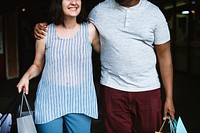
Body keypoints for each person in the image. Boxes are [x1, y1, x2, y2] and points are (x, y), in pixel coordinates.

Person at [34, 0, 175, 133]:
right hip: (112, 89)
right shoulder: (99, 11)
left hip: (148, 90)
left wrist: (169, 97)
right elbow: (72, 26)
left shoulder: (154, 13)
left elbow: (165, 57)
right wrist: (44, 27)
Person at [16, 0, 100, 132]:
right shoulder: (45, 32)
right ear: (58, 3)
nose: (74, 2)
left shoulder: (89, 30)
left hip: (81, 100)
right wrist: (26, 76)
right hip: (49, 101)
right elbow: (37, 64)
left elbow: (107, 54)